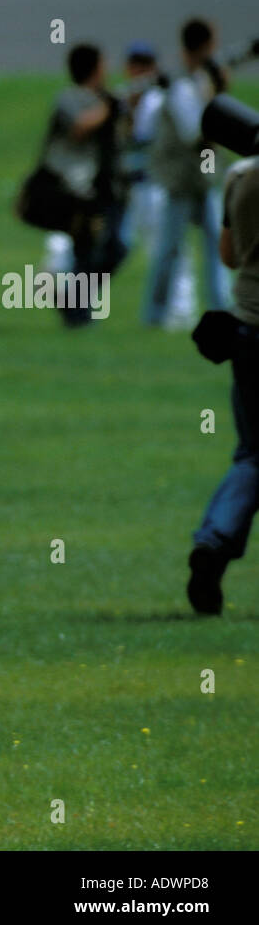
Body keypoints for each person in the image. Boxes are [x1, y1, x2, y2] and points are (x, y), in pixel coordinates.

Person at [188, 154, 259, 614]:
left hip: (248, 331)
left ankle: (214, 541)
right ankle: (213, 543)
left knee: (253, 452)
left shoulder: (240, 175)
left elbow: (229, 255)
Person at [141, 18, 231, 328]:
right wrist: (214, 98)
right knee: (169, 250)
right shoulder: (182, 85)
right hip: (181, 180)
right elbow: (195, 133)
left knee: (218, 249)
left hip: (206, 179)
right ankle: (154, 315)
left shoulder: (200, 81)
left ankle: (223, 310)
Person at [39, 43, 129, 327]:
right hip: (79, 190)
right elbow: (80, 127)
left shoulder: (107, 98)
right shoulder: (70, 98)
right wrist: (109, 107)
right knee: (86, 252)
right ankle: (78, 317)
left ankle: (72, 303)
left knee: (115, 248)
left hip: (109, 187)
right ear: (94, 67)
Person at [119, 40, 197, 327]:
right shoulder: (129, 101)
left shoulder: (159, 99)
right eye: (135, 64)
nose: (139, 71)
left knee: (170, 249)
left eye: (145, 65)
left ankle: (181, 311)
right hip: (135, 188)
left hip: (157, 185)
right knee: (143, 247)